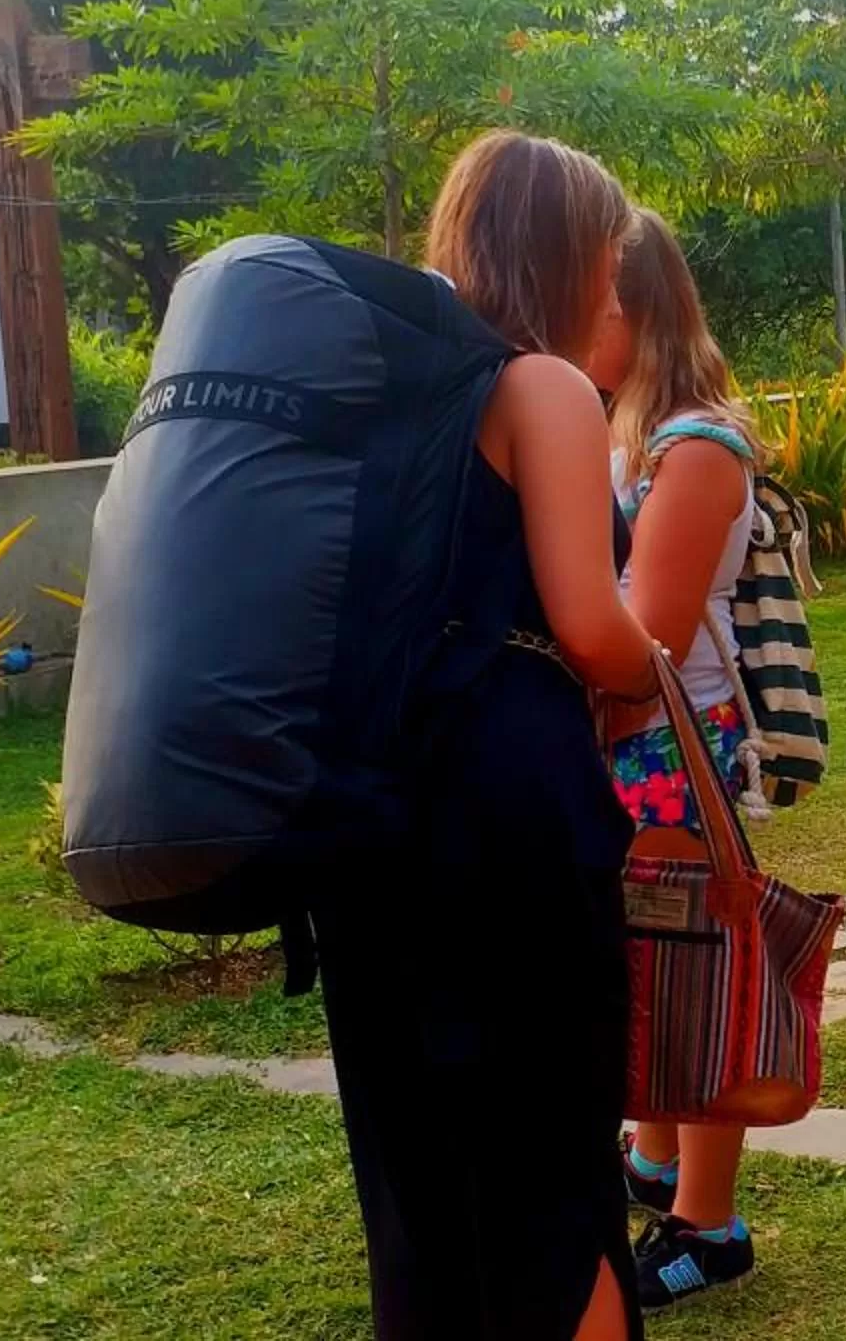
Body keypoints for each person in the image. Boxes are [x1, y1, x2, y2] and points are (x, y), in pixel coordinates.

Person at [311, 129, 656, 1341]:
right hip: (511, 818)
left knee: (420, 1181)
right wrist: (649, 669)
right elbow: (591, 625)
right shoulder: (538, 388)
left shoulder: (375, 403)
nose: (614, 295)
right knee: (554, 1182)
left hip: (366, 820)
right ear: (565, 257)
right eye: (609, 267)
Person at [583, 207, 771, 1312]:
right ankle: (654, 1162)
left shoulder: (695, 446)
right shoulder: (632, 432)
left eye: (594, 299)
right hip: (636, 744)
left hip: (671, 743)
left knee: (691, 975)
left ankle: (711, 1220)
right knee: (644, 967)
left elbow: (643, 635)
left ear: (636, 308)